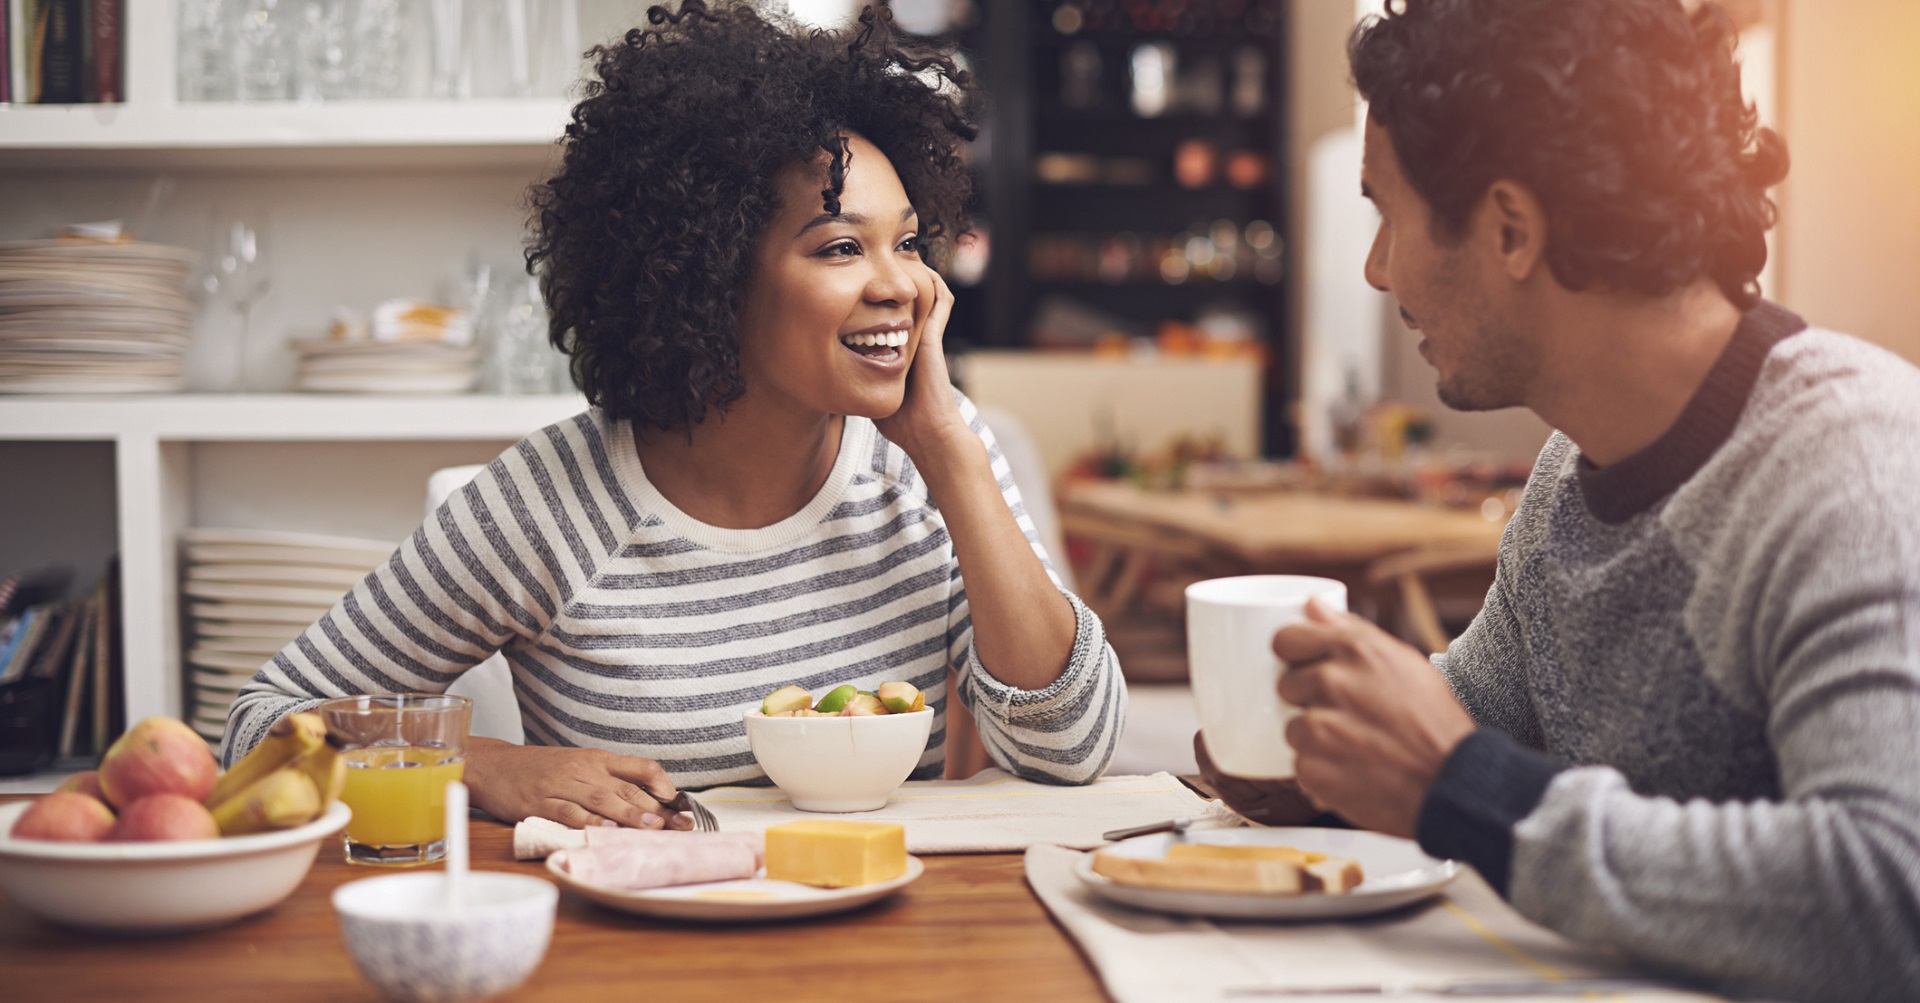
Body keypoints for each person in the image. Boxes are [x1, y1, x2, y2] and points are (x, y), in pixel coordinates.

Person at [226, 1, 1126, 832]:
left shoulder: (932, 464)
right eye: (842, 247)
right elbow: (262, 726)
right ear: (711, 270)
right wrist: (484, 764)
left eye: (906, 242)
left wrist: (949, 455)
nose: (900, 285)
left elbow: (1071, 751)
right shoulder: (550, 504)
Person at [1198, 1, 1920, 1000]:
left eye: (1385, 213)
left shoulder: (1860, 466)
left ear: (1509, 229)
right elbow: (1469, 721)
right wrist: (1312, 761)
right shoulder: (1565, 481)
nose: (1376, 270)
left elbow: (1889, 895)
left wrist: (1462, 789)